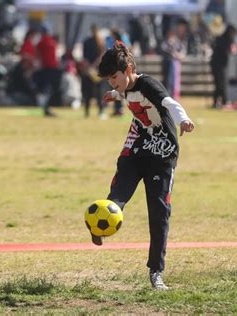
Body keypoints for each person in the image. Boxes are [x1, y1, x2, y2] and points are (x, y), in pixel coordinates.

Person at [97, 43, 195, 290]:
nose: (112, 83)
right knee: (119, 192)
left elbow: (170, 103)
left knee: (159, 212)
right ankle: (101, 221)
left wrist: (183, 119)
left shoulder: (149, 85)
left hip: (162, 153)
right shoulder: (125, 87)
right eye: (109, 80)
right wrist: (115, 94)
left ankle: (156, 272)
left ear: (128, 69)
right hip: (137, 146)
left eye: (114, 78)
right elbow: (128, 93)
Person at [209, 24, 237, 109]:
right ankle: (223, 102)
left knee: (219, 84)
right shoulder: (225, 40)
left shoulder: (221, 38)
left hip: (218, 64)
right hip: (218, 65)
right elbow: (232, 51)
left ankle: (217, 103)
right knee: (220, 84)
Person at [81, 24, 106, 118]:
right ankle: (101, 111)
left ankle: (87, 112)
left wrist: (90, 66)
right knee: (100, 92)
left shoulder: (86, 42)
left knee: (88, 92)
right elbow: (102, 56)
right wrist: (95, 65)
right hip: (98, 70)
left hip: (89, 70)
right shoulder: (101, 42)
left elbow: (84, 57)